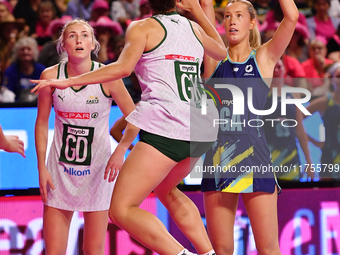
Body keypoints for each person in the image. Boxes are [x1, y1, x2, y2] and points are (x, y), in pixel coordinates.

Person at [31, 0, 228, 254]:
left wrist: (70, 82)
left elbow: (122, 69)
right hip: (203, 125)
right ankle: (208, 252)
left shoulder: (142, 27)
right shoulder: (194, 27)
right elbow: (222, 52)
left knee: (121, 209)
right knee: (167, 189)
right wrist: (199, 12)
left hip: (169, 122)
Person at [199, 0, 298, 254]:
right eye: (228, 16)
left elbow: (292, 17)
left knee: (268, 250)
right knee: (220, 251)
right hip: (217, 162)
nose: (232, 20)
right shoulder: (214, 60)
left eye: (239, 15)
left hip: (256, 162)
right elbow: (205, 9)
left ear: (252, 22)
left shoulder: (263, 58)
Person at [34, 18, 135, 255]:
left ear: (93, 45)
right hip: (59, 171)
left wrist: (120, 150)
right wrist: (41, 168)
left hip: (98, 172)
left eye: (85, 35)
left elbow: (135, 117)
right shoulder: (51, 76)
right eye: (72, 36)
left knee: (93, 251)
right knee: (54, 251)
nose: (79, 40)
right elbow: (40, 123)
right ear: (63, 46)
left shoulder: (108, 76)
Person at [263, 58, 313, 180]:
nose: (276, 70)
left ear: (284, 70)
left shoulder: (293, 94)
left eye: (279, 67)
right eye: (273, 67)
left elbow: (300, 130)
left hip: (290, 156)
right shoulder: (260, 94)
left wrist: (309, 162)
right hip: (267, 156)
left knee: (292, 196)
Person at [305, 61, 340, 180]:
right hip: (329, 156)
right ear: (332, 80)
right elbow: (296, 120)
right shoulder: (326, 102)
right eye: (339, 76)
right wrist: (315, 142)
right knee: (327, 195)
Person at [3, 36, 45, 102]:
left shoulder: (42, 70)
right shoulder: (10, 71)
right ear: (17, 53)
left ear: (34, 52)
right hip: (16, 106)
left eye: (29, 49)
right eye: (22, 49)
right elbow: (7, 93)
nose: (25, 52)